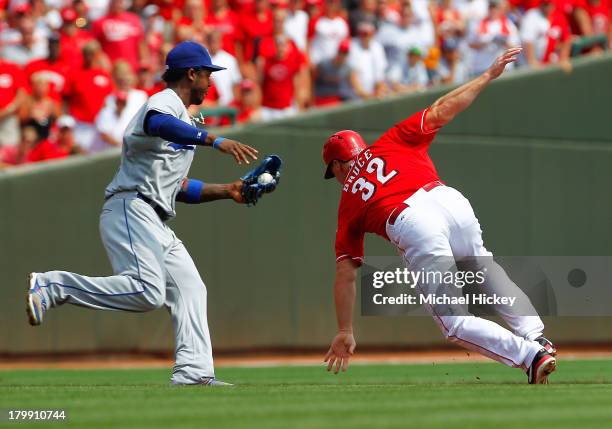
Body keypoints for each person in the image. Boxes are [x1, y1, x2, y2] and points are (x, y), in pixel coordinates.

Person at [26, 41, 271, 386]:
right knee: (147, 292)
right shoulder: (163, 103)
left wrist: (227, 191)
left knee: (190, 287)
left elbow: (177, 186)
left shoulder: (183, 116)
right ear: (191, 73)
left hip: (154, 214)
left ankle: (193, 373)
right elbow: (159, 124)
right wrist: (214, 140)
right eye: (207, 74)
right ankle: (53, 285)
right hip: (131, 206)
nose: (210, 82)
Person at [321, 48, 558, 384]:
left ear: (338, 164)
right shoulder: (392, 140)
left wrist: (345, 329)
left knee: (454, 322)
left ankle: (530, 355)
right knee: (482, 266)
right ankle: (536, 336)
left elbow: (345, 272)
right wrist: (487, 75)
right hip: (448, 199)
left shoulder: (348, 198)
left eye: (334, 171)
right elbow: (442, 109)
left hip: (413, 221)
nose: (339, 179)